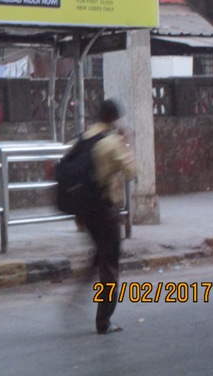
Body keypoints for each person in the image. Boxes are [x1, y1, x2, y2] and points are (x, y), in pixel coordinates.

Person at [77, 99, 136, 334]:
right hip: (105, 210)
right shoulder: (111, 143)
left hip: (86, 211)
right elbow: (131, 171)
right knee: (109, 267)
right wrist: (125, 143)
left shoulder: (83, 138)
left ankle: (78, 290)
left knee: (100, 253)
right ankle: (104, 321)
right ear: (113, 119)